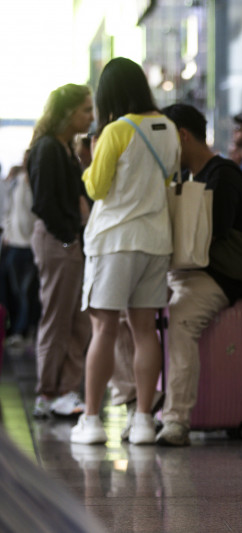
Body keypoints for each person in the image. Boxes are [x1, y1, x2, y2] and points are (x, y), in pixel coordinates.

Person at [70, 58, 180, 445]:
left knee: (104, 328)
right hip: (155, 241)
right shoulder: (168, 128)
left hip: (115, 241)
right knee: (145, 331)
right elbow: (167, 179)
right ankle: (145, 422)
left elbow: (97, 189)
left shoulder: (116, 130)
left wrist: (90, 160)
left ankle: (92, 421)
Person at [155, 103, 242, 446]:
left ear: (182, 135)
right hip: (189, 271)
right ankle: (145, 403)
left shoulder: (222, 176)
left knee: (181, 320)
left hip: (220, 276)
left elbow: (212, 239)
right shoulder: (187, 176)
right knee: (128, 313)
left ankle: (176, 420)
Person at [27, 84, 94, 419]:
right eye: (85, 109)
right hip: (58, 240)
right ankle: (48, 390)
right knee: (57, 317)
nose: (91, 116)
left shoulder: (64, 147)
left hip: (67, 239)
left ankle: (63, 388)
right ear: (67, 113)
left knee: (77, 320)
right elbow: (44, 202)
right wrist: (67, 235)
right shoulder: (48, 148)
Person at [1, 150, 40, 348]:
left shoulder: (37, 182)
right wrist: (7, 234)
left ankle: (22, 329)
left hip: (31, 245)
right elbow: (8, 210)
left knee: (27, 292)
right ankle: (17, 328)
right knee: (15, 292)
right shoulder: (16, 182)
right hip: (15, 245)